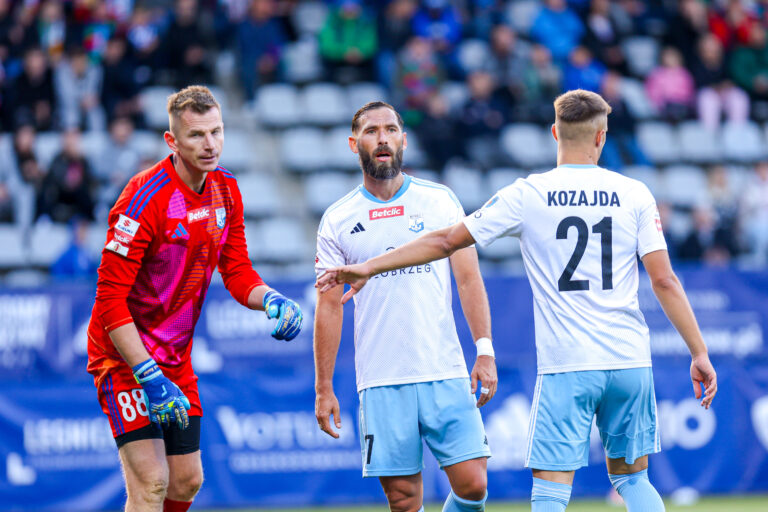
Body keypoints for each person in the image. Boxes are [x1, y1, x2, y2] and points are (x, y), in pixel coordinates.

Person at [317, 90, 718, 512]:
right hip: (629, 360)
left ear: (553, 133)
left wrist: (371, 266)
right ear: (601, 138)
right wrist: (699, 351)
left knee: (548, 493)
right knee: (633, 481)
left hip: (568, 364)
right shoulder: (635, 193)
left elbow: (447, 241)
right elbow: (666, 281)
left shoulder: (530, 193)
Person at [86, 85, 303, 512]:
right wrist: (147, 374)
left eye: (217, 133)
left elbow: (237, 271)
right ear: (172, 141)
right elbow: (109, 298)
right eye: (197, 136)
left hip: (175, 359)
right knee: (151, 483)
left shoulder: (227, 190)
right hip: (124, 358)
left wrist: (270, 299)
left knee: (185, 482)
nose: (210, 145)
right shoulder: (144, 198)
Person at [314, 101, 496, 512]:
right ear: (353, 143)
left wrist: (484, 350)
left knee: (473, 485)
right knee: (403, 500)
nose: (382, 138)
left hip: (444, 369)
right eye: (371, 131)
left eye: (391, 130)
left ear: (403, 140)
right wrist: (323, 387)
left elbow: (468, 278)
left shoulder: (439, 200)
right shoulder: (338, 219)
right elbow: (328, 307)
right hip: (382, 378)